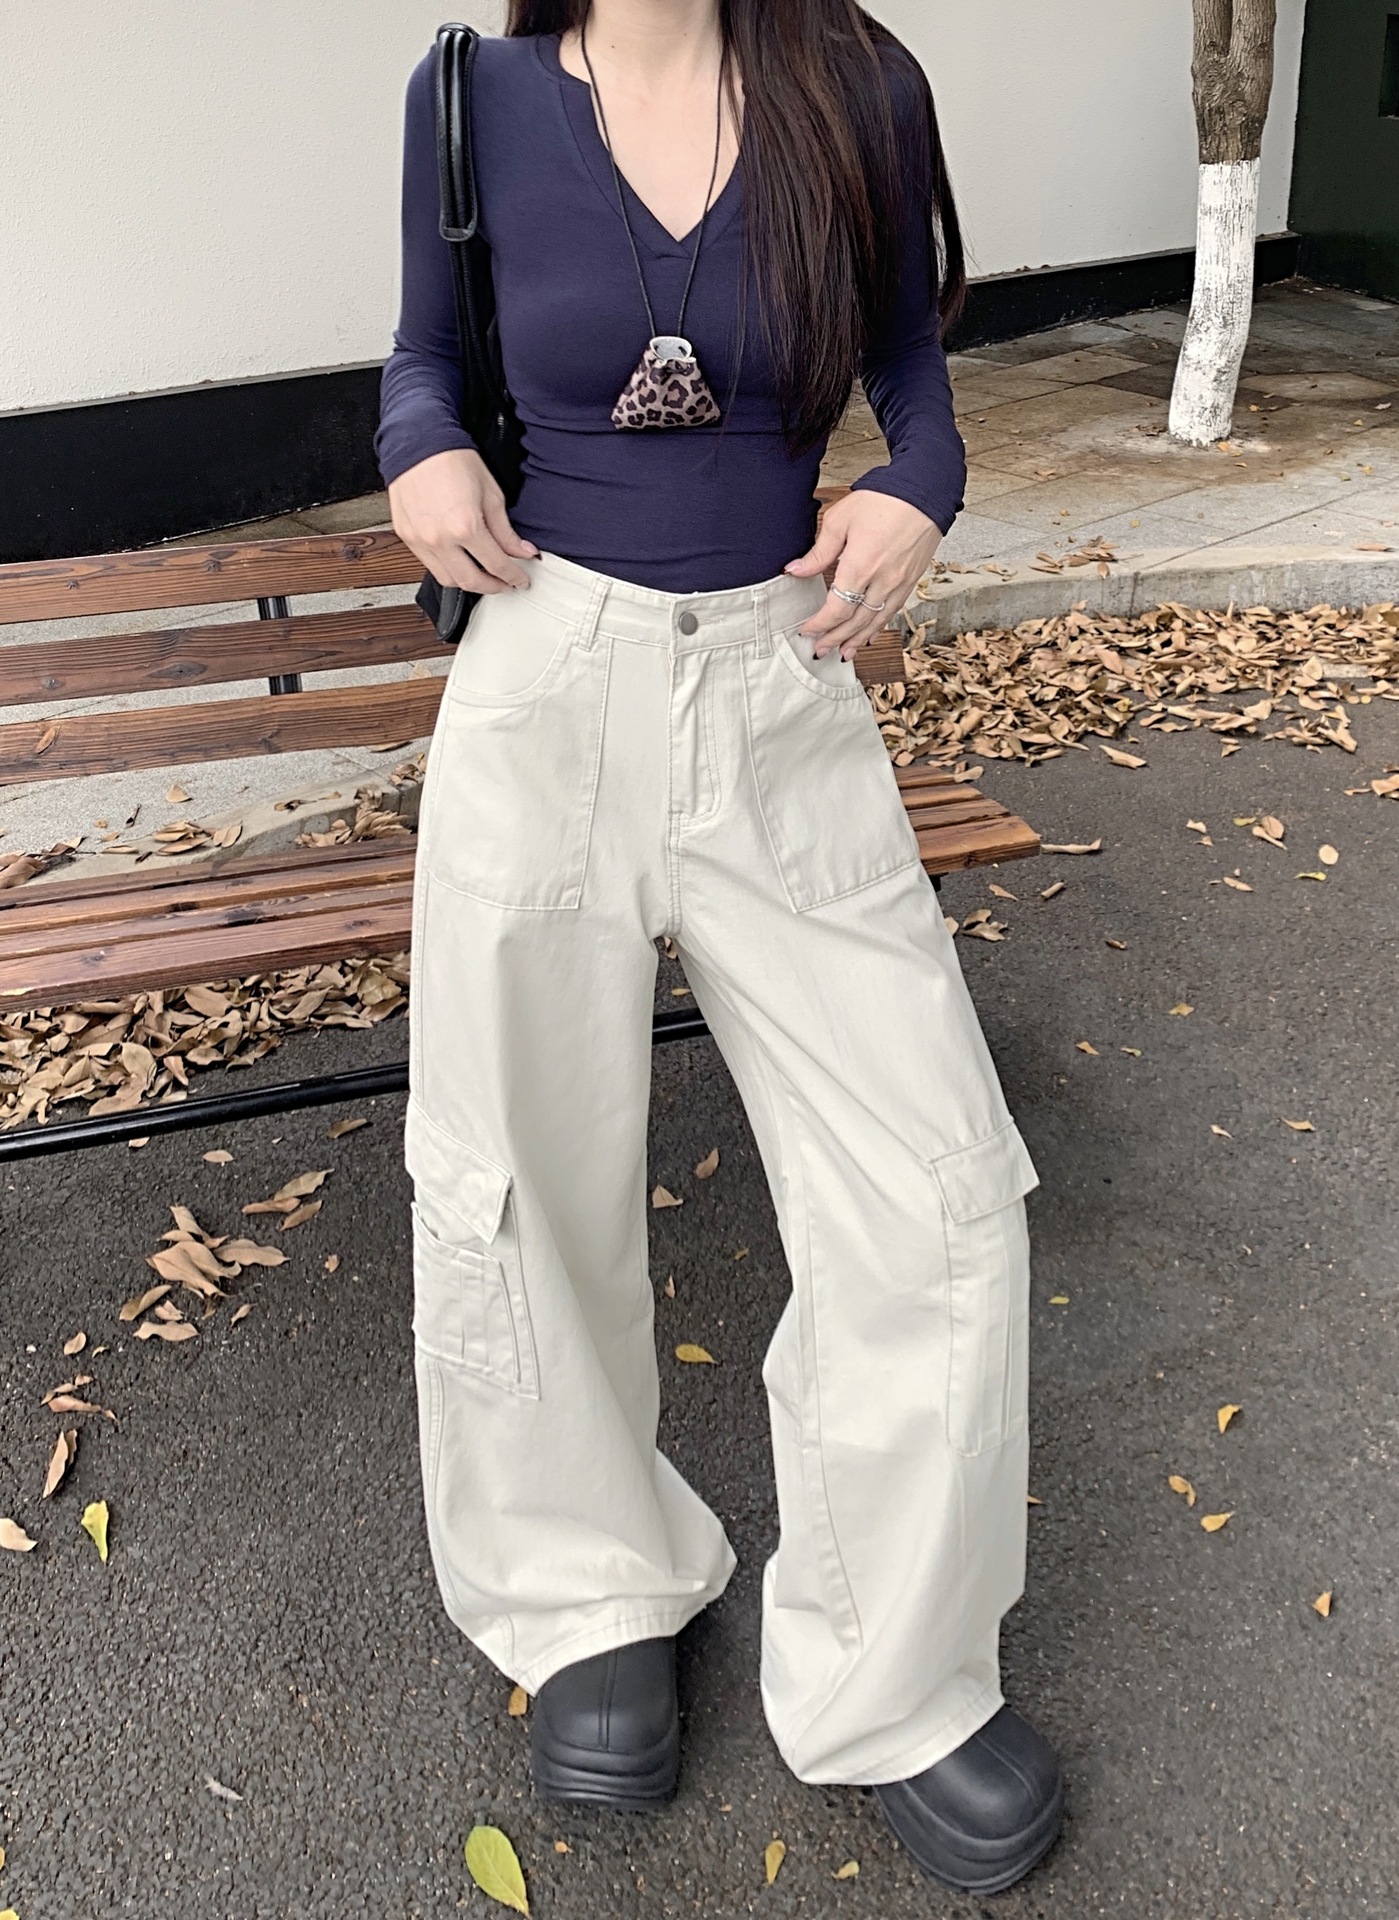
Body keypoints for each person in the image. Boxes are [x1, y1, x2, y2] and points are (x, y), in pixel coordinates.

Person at [375, 0, 1062, 1895]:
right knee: (518, 1176)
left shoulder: (859, 84)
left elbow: (912, 370)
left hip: (779, 696)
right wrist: (419, 454)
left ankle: (897, 1674)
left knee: (935, 1192)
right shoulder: (470, 95)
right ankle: (590, 1589)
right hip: (545, 690)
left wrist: (920, 486)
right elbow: (427, 359)